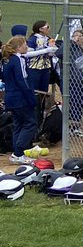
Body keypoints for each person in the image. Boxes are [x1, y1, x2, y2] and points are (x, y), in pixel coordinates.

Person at [2, 36, 37, 164]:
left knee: (18, 124)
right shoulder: (18, 59)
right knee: (30, 123)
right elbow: (22, 80)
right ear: (18, 47)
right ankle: (18, 152)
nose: (26, 46)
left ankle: (17, 154)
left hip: (10, 96)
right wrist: (31, 97)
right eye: (24, 45)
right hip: (20, 97)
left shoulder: (7, 60)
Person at [25, 20, 58, 96]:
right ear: (40, 29)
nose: (49, 29)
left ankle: (42, 107)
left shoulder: (48, 39)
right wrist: (46, 50)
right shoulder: (33, 39)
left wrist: (52, 48)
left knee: (44, 91)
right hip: (34, 69)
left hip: (46, 68)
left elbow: (52, 53)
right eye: (47, 27)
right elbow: (28, 54)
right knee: (34, 91)